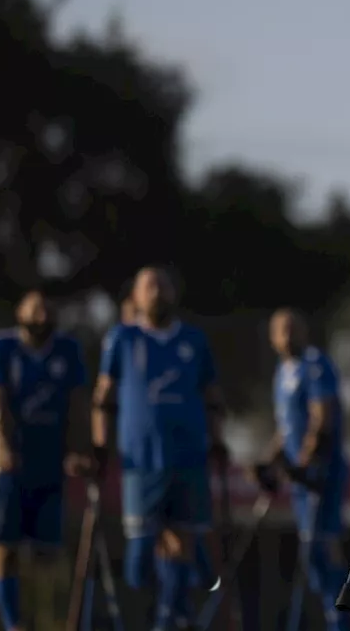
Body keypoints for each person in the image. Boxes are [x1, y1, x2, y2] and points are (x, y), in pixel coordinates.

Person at [92, 266, 225, 631]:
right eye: (148, 286)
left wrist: (217, 439)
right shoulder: (122, 338)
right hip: (141, 461)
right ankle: (157, 614)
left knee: (182, 540)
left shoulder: (194, 341)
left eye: (163, 285)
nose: (157, 291)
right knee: (138, 561)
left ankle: (170, 621)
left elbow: (211, 395)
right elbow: (102, 397)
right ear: (134, 297)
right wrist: (99, 446)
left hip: (187, 457)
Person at [0, 289, 89, 631]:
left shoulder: (68, 350)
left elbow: (76, 406)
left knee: (47, 551)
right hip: (11, 463)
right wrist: (3, 445)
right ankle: (14, 624)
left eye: (47, 308)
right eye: (34, 307)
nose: (41, 314)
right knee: (4, 545)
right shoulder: (0, 346)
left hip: (49, 463)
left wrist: (76, 451)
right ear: (19, 311)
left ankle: (53, 618)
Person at [255, 308, 350, 630]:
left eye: (293, 328)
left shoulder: (315, 364)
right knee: (310, 556)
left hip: (322, 473)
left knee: (322, 547)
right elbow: (286, 428)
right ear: (272, 338)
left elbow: (322, 418)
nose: (288, 335)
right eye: (281, 329)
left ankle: (340, 619)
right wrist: (269, 462)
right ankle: (329, 612)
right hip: (300, 478)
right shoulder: (281, 374)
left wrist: (304, 463)